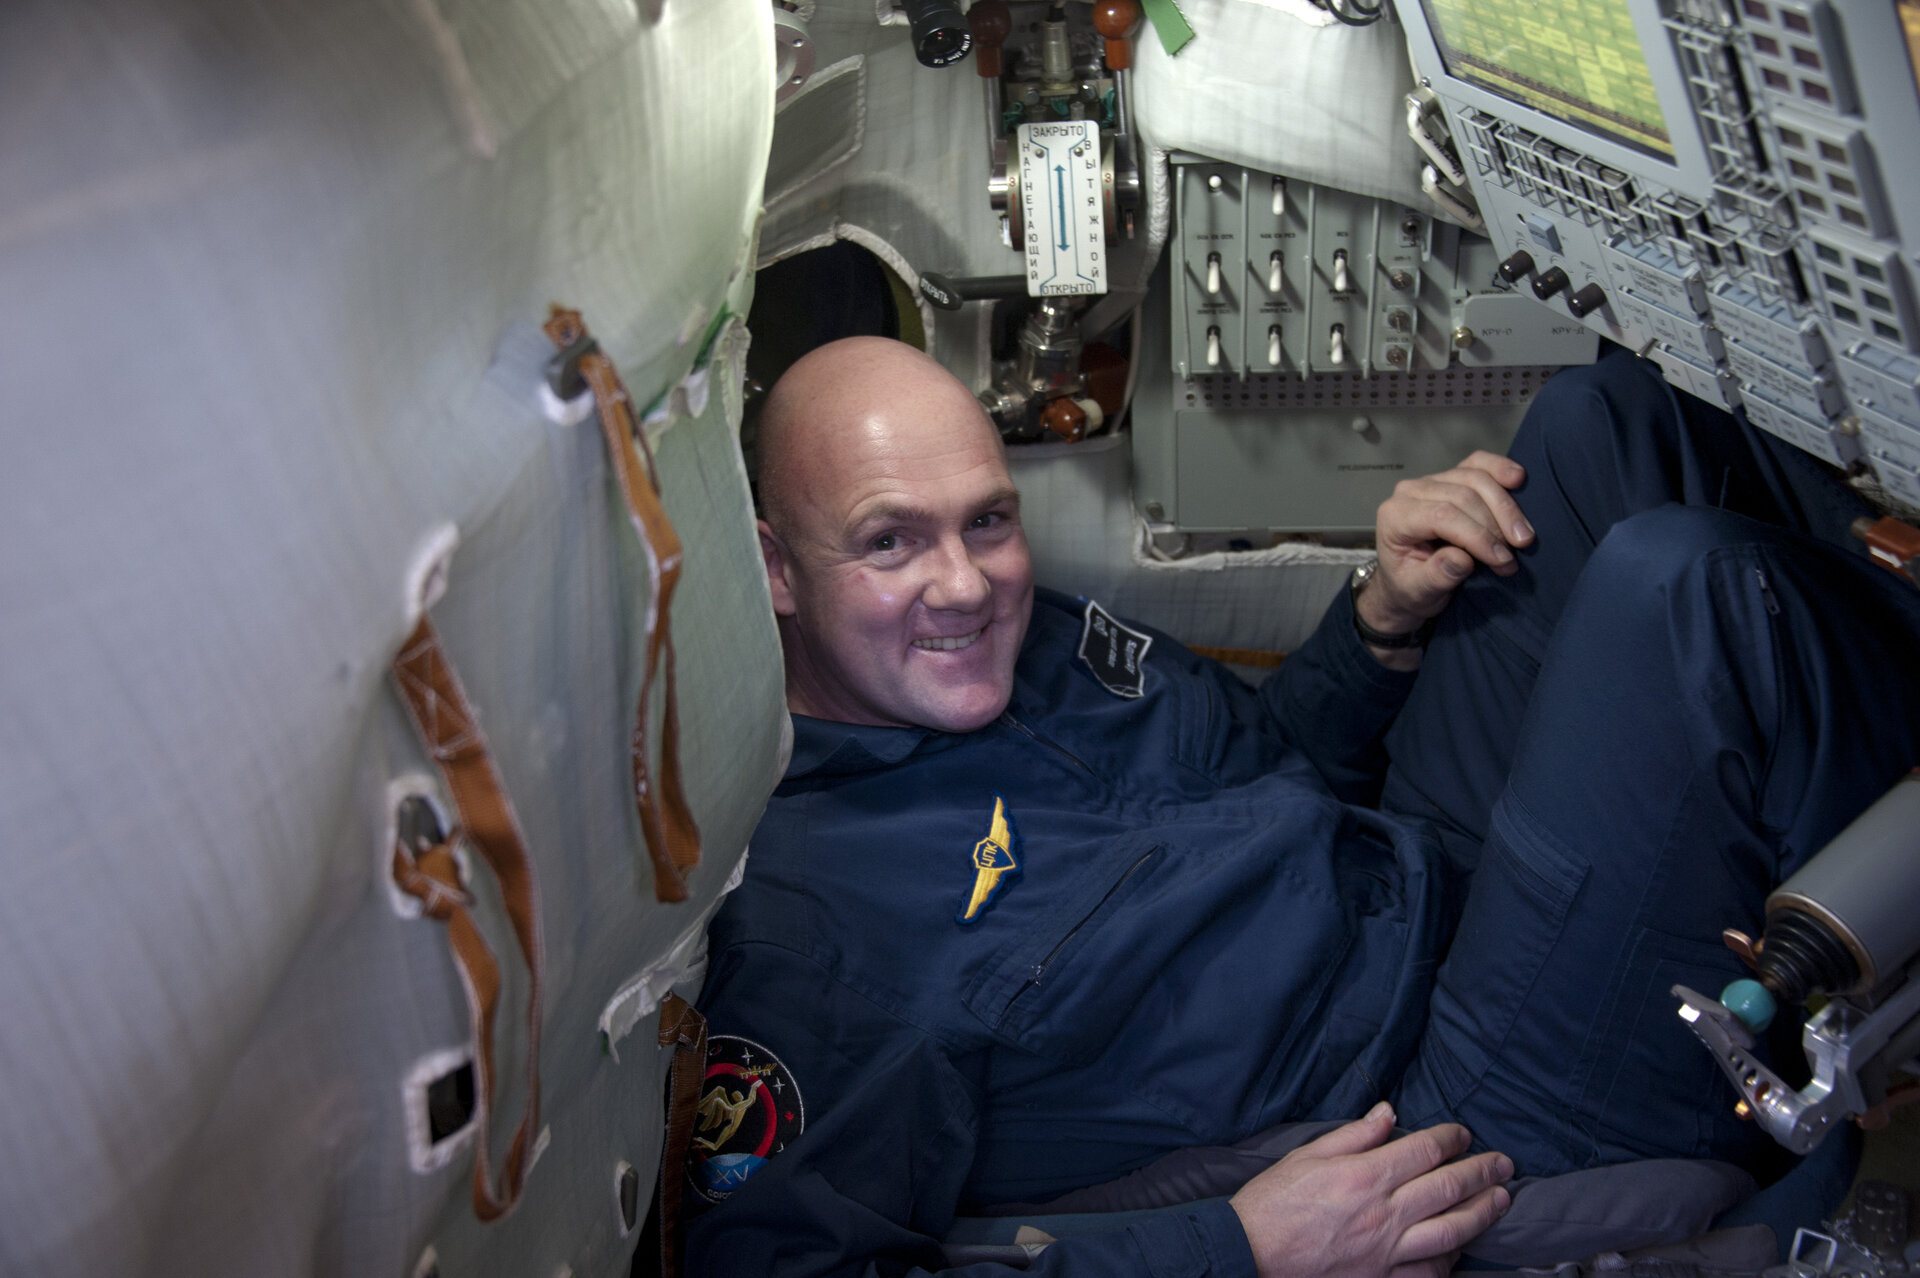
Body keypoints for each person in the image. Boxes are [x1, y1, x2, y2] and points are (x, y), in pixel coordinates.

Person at [683, 336, 1920, 1278]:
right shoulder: (815, 939)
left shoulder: (1028, 644)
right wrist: (1233, 1247)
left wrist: (1378, 620)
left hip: (1409, 865)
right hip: (1440, 1100)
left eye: (989, 520)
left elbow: (1261, 770)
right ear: (777, 571)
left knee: (1609, 422)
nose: (964, 583)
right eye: (889, 542)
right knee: (1685, 595)